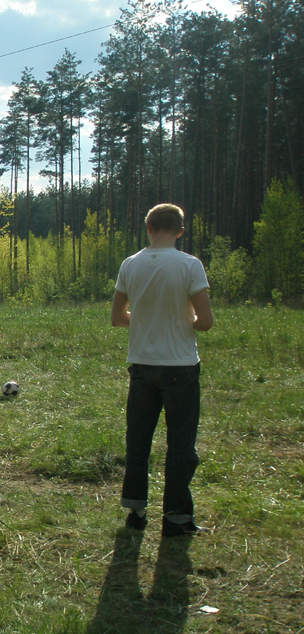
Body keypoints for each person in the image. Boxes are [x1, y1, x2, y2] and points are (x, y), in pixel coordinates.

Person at [110, 203, 213, 537]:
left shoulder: (130, 264)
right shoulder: (189, 265)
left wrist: (146, 319)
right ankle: (177, 518)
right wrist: (181, 321)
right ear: (180, 231)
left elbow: (117, 318)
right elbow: (205, 322)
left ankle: (136, 510)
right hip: (180, 366)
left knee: (138, 440)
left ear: (148, 228)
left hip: (142, 364)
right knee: (181, 445)